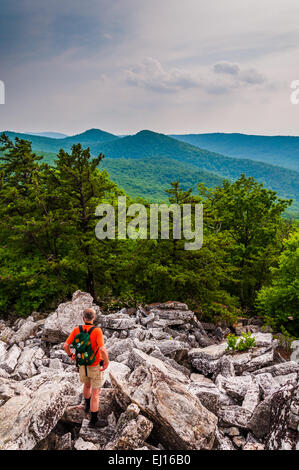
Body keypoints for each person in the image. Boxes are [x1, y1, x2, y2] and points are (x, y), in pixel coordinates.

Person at [63, 307, 109, 426]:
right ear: (93, 318)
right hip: (95, 364)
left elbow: (66, 346)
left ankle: (87, 405)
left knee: (86, 385)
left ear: (83, 318)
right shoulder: (97, 331)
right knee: (96, 392)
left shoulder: (77, 329)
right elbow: (102, 350)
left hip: (82, 364)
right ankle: (94, 420)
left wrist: (71, 355)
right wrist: (106, 362)